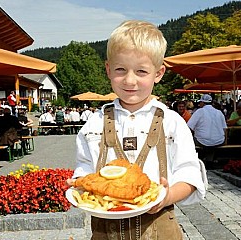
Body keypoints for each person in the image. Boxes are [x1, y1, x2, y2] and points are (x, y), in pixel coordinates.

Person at [67, 20, 206, 239]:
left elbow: (190, 174)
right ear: (108, 70)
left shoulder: (172, 122)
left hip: (160, 228)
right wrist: (79, 183)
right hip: (105, 231)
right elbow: (85, 168)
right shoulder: (94, 123)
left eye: (141, 71)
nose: (130, 80)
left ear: (158, 74)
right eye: (121, 70)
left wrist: (167, 196)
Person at [187, 94, 227, 164]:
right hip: (219, 140)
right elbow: (225, 129)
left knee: (195, 139)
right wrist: (225, 140)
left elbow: (189, 127)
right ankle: (209, 160)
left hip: (203, 141)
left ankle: (201, 160)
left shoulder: (199, 111)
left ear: (202, 102)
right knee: (211, 141)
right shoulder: (219, 112)